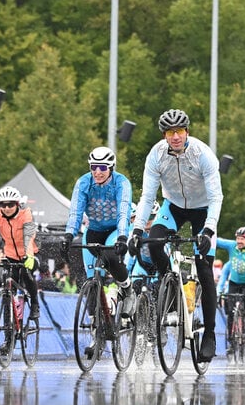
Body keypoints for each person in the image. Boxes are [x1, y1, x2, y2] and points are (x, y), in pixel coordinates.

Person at [128, 108, 224, 361]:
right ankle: (168, 288)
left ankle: (210, 335)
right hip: (173, 207)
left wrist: (209, 229)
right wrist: (138, 229)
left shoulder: (203, 155)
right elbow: (148, 197)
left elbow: (216, 197)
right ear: (164, 135)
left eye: (179, 131)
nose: (175, 137)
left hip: (203, 210)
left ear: (187, 132)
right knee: (155, 244)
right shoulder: (156, 155)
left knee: (204, 268)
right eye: (170, 132)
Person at [62, 146, 134, 320]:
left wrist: (123, 236)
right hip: (94, 230)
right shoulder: (84, 182)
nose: (97, 172)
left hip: (116, 229)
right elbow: (76, 211)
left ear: (111, 168)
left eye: (102, 168)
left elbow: (123, 212)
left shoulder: (121, 182)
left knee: (110, 256)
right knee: (92, 281)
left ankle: (126, 289)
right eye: (93, 167)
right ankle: (96, 329)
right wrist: (68, 235)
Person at [0, 186, 41, 320]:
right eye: (3, 204)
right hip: (11, 255)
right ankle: (10, 329)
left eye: (10, 204)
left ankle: (35, 303)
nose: (7, 208)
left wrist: (29, 255)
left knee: (26, 273)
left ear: (17, 204)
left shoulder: (26, 213)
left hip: (31, 252)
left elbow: (29, 237)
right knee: (8, 283)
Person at [216, 226, 245, 334]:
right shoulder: (232, 246)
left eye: (242, 239)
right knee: (231, 313)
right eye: (237, 238)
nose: (239, 241)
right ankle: (231, 341)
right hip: (233, 283)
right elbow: (218, 241)